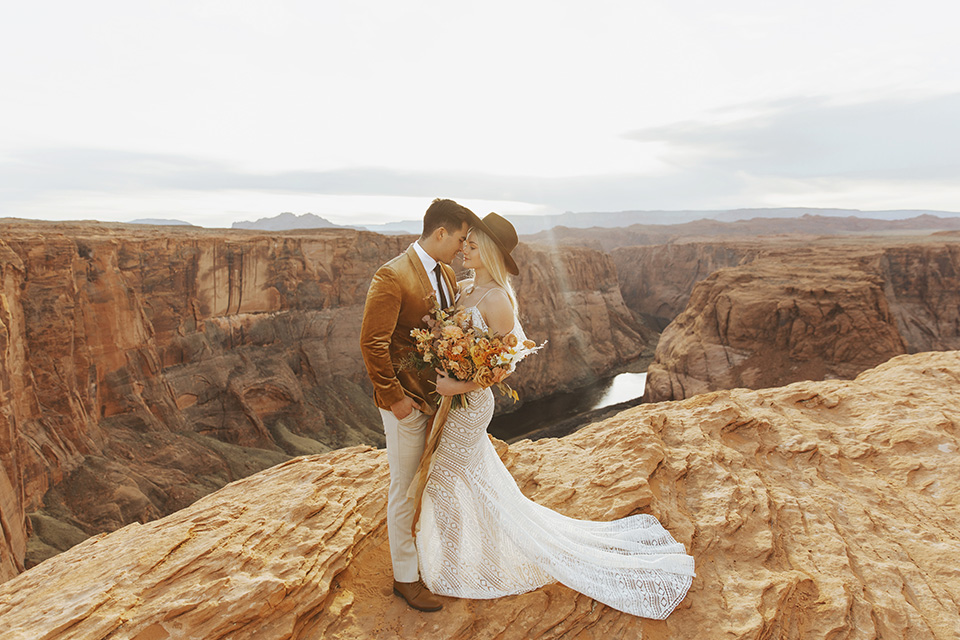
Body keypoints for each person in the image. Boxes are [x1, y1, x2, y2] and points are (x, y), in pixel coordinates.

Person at [416, 212, 696, 618]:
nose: (464, 250)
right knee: (455, 479)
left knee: (448, 480)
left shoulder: (496, 299)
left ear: (490, 252)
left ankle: (462, 564)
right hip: (449, 403)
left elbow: (506, 365)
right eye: (466, 243)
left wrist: (458, 386)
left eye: (473, 245)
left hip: (470, 404)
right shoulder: (463, 289)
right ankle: (460, 557)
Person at [359, 198, 477, 612]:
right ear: (440, 232)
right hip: (406, 404)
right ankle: (405, 579)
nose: (463, 248)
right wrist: (396, 401)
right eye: (461, 239)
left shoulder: (445, 273)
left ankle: (430, 560)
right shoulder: (392, 275)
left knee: (431, 483)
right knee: (405, 490)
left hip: (438, 401)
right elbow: (372, 343)